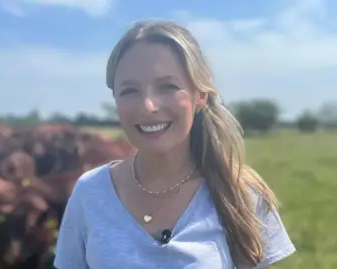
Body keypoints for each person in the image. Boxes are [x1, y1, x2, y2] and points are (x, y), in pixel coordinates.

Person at [53, 20, 296, 269]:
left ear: (200, 96)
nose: (148, 106)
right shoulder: (90, 193)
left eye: (168, 87)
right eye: (129, 90)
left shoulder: (242, 193)